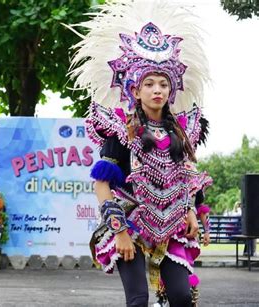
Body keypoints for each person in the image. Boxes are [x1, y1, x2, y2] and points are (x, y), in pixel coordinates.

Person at [69, 2, 212, 306]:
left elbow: (186, 178)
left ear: (171, 91)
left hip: (172, 226)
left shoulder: (181, 133)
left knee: (182, 297)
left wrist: (190, 211)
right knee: (138, 300)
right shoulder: (121, 131)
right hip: (130, 226)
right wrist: (118, 230)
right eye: (149, 84)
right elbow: (102, 185)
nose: (157, 90)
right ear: (135, 90)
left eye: (163, 84)